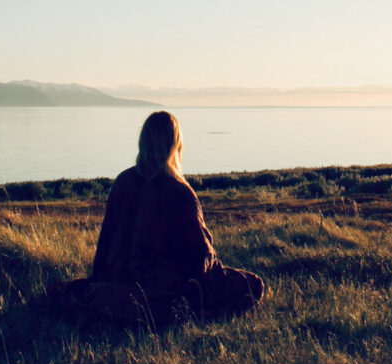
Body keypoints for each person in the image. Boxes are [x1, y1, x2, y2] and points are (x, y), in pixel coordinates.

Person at [53, 111, 264, 326]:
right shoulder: (180, 192)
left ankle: (111, 303)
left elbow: (106, 241)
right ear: (175, 145)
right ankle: (179, 314)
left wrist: (98, 280)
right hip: (164, 290)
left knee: (86, 294)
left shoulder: (123, 182)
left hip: (117, 283)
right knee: (252, 285)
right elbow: (201, 260)